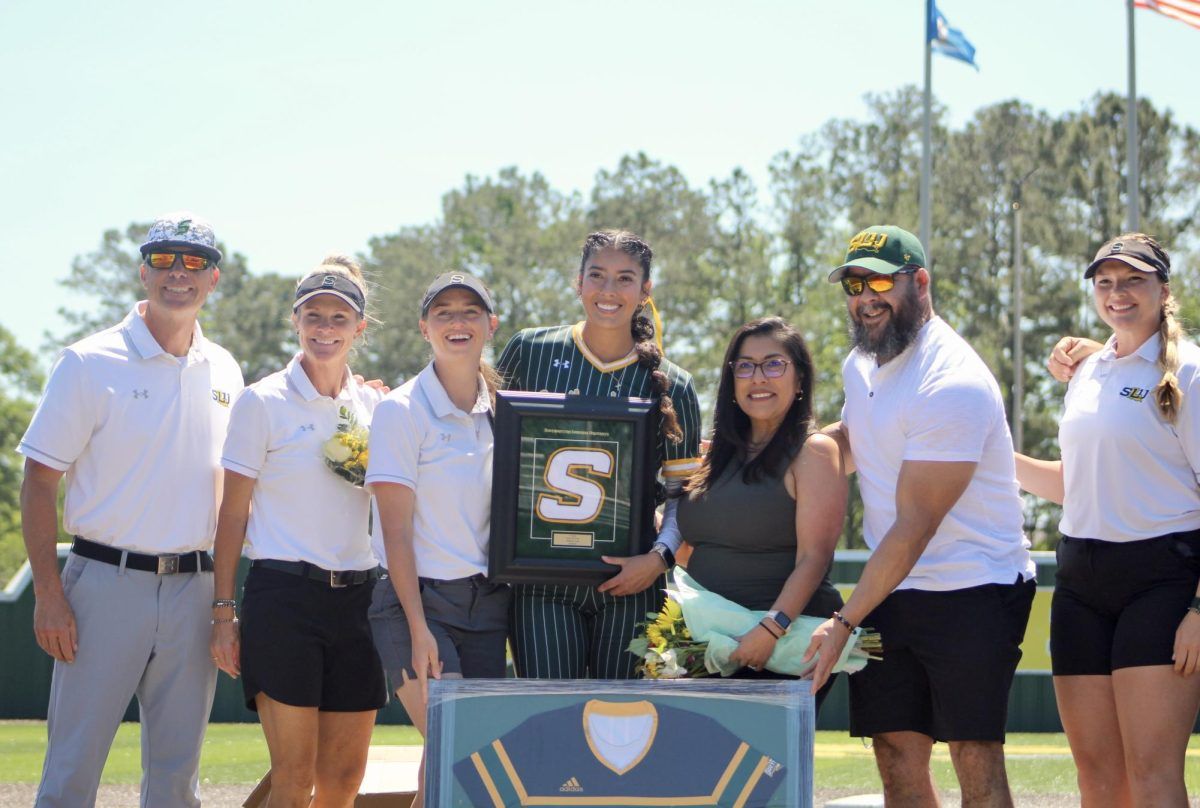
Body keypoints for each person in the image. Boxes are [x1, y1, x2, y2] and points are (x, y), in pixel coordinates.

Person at [804, 225, 1036, 807]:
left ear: (921, 282)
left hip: (974, 587)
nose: (866, 297)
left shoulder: (953, 381)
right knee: (894, 752)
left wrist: (845, 621)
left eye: (881, 282)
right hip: (895, 589)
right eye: (854, 285)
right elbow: (852, 441)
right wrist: (760, 458)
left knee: (974, 757)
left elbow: (914, 525)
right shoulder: (861, 363)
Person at [18, 212, 243, 807]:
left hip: (194, 589)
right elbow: (38, 482)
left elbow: (241, 486)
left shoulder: (225, 369)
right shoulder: (88, 361)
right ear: (144, 272)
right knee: (71, 773)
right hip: (102, 586)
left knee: (177, 781)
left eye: (195, 261)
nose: (179, 273)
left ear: (213, 278)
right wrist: (48, 595)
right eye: (164, 259)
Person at [1015, 234, 1200, 807]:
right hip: (1080, 582)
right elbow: (1075, 484)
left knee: (1152, 775)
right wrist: (995, 455)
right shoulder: (1088, 370)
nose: (1118, 293)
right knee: (1096, 779)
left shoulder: (1190, 372)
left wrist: (1199, 610)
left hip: (1162, 582)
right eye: (1105, 282)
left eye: (1133, 280)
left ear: (1163, 290)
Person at [210, 255, 387, 807]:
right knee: (293, 778)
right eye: (314, 316)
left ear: (359, 327)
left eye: (339, 318)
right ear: (295, 321)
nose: (324, 329)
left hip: (359, 602)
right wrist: (223, 614)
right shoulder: (262, 401)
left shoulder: (377, 406)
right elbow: (232, 515)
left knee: (344, 781)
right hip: (284, 598)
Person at [496, 229, 702, 679]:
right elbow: (484, 444)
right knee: (551, 712)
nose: (609, 290)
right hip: (540, 581)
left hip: (634, 583)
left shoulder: (676, 384)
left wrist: (659, 559)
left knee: (621, 718)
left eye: (625, 278)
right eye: (597, 275)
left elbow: (683, 495)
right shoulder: (530, 351)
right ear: (578, 282)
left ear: (645, 291)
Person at [366, 271, 511, 808]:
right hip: (416, 604)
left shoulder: (505, 412)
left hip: (487, 606)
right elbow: (395, 532)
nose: (457, 321)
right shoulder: (400, 410)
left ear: (491, 325)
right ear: (423, 327)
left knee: (464, 762)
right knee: (457, 745)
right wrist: (418, 627)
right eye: (443, 312)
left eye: (470, 311)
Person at [677, 317, 845, 706]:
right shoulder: (712, 457)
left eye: (774, 364)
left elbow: (815, 557)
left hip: (784, 646)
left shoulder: (815, 451)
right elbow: (694, 548)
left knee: (762, 750)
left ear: (799, 379)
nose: (758, 378)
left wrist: (771, 629)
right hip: (709, 644)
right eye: (745, 366)